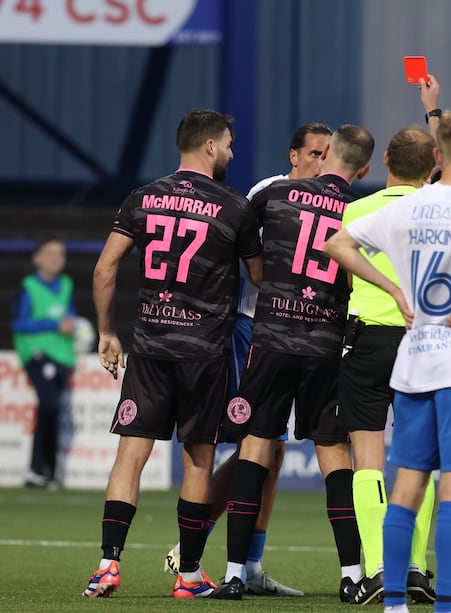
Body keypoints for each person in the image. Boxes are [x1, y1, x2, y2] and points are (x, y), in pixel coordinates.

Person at [82, 109, 263, 599]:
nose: (230, 152)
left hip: (150, 346)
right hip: (204, 352)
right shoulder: (233, 207)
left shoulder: (141, 199)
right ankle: (188, 576)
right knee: (199, 460)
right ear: (208, 146)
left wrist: (106, 332)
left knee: (130, 455)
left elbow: (104, 269)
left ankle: (107, 566)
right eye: (227, 143)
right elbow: (263, 279)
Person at [326, 107, 451, 613]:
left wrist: (395, 289)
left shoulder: (391, 210)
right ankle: (442, 599)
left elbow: (337, 246)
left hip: (405, 355)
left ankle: (391, 594)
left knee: (398, 477)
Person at [163, 122, 332, 598]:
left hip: (302, 333)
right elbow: (236, 248)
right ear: (294, 156)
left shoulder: (337, 201)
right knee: (256, 445)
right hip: (254, 330)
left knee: (272, 453)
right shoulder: (267, 192)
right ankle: (197, 539)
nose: (322, 161)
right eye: (315, 153)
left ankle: (250, 564)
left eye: (329, 153)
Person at [210, 124, 374, 600]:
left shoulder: (276, 194)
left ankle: (236, 573)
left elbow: (235, 240)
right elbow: (355, 280)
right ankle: (350, 575)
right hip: (326, 345)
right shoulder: (358, 210)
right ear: (362, 168)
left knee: (256, 447)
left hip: (273, 339)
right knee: (333, 453)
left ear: (328, 156)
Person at [338, 124, 438, 605]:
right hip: (423, 342)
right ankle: (416, 566)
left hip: (369, 342)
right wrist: (433, 110)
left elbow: (335, 256)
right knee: (419, 462)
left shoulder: (358, 209)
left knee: (368, 460)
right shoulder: (440, 205)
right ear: (434, 165)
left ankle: (378, 567)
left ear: (384, 165)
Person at [11, 237, 76, 489]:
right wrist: (53, 324)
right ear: (36, 257)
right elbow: (18, 322)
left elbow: (69, 317)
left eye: (60, 254)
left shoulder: (67, 284)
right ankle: (37, 469)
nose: (55, 259)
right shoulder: (28, 286)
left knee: (54, 409)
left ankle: (48, 472)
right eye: (50, 253)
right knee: (48, 405)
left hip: (62, 356)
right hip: (38, 355)